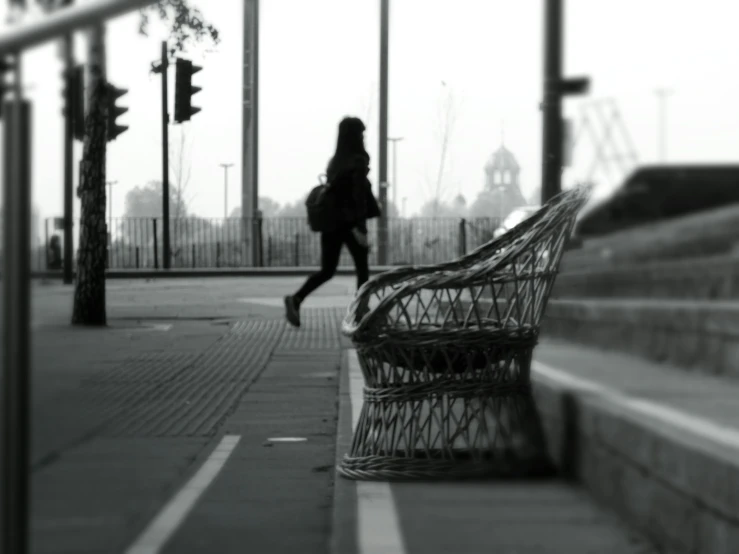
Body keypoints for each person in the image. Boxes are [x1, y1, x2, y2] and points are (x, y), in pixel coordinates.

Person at [284, 116, 380, 327]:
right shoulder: (358, 160)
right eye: (361, 133)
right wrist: (361, 228)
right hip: (350, 222)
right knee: (362, 269)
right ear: (355, 136)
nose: (363, 136)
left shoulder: (334, 161)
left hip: (331, 224)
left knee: (327, 270)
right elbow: (358, 197)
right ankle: (360, 312)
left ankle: (296, 299)